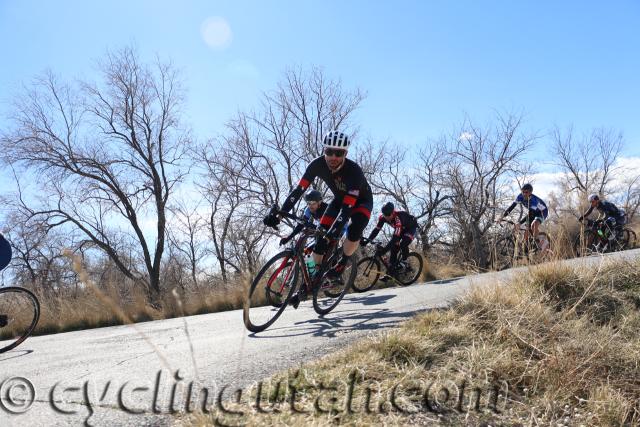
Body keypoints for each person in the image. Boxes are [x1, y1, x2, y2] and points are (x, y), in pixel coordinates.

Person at [263, 130, 373, 308]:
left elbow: (346, 211)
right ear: (324, 151)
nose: (333, 157)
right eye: (329, 151)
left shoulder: (354, 172)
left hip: (360, 202)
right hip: (339, 200)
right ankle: (313, 282)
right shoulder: (316, 165)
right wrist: (280, 214)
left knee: (354, 229)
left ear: (346, 153)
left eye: (339, 153)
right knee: (320, 238)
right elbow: (298, 191)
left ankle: (342, 263)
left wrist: (334, 231)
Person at [362, 202, 418, 280]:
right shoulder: (383, 218)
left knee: (403, 244)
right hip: (402, 229)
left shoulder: (397, 218)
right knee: (394, 248)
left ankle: (405, 261)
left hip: (411, 228)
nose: (387, 217)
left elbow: (395, 238)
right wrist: (367, 241)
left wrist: (384, 250)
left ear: (393, 212)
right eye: (385, 215)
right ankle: (390, 273)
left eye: (389, 215)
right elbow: (376, 230)